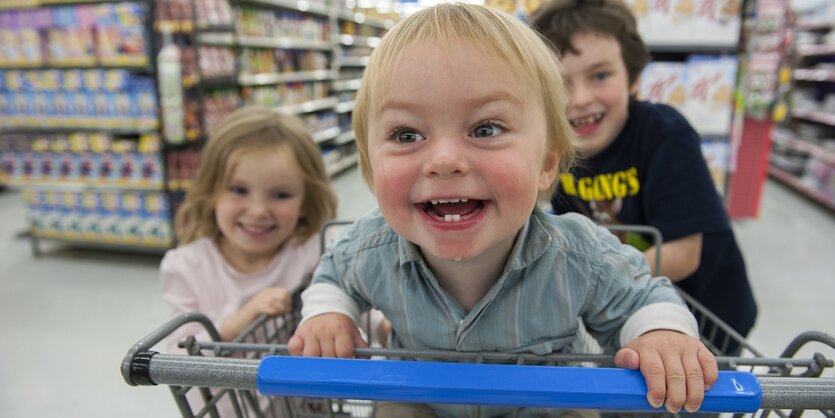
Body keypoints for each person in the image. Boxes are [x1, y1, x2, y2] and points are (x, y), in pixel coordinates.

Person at [288, 4, 717, 418]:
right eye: (405, 135)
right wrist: (329, 314)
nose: (444, 160)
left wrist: (660, 333)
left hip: (546, 406)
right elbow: (333, 275)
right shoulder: (370, 247)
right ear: (369, 164)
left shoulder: (579, 255)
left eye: (485, 129)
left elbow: (642, 296)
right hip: (423, 400)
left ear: (547, 163)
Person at [530, 0, 757, 353]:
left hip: (706, 310)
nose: (579, 99)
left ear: (634, 77)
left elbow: (683, 254)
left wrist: (593, 282)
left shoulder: (664, 133)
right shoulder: (557, 148)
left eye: (600, 75)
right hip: (631, 306)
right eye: (560, 83)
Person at [160, 105, 337, 348]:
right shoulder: (186, 267)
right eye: (239, 190)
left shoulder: (316, 251)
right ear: (212, 191)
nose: (258, 211)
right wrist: (235, 324)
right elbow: (178, 357)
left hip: (300, 387)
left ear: (306, 203)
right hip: (219, 387)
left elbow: (362, 306)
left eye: (281, 195)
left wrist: (384, 325)